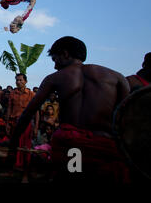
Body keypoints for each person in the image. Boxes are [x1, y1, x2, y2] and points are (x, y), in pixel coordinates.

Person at [10, 36, 131, 182]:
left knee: (71, 178)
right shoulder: (118, 78)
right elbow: (127, 120)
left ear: (65, 54)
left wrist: (13, 141)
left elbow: (28, 113)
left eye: (55, 60)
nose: (55, 66)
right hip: (105, 148)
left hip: (73, 147)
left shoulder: (55, 78)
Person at [5, 73, 38, 183]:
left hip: (26, 124)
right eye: (17, 80)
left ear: (26, 81)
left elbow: (36, 112)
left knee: (26, 149)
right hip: (14, 123)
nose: (18, 82)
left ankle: (25, 175)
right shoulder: (12, 94)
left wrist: (36, 127)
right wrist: (7, 123)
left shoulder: (31, 94)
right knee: (12, 147)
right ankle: (10, 171)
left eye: (20, 80)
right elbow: (9, 109)